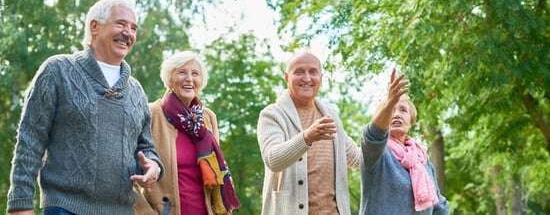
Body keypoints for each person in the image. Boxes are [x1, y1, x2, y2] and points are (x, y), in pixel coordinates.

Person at [6, 0, 163, 215]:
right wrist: (20, 205)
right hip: (65, 208)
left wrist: (153, 166)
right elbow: (30, 140)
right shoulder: (57, 70)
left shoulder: (136, 90)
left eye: (133, 27)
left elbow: (146, 148)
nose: (128, 33)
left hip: (123, 210)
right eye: (121, 24)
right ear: (94, 27)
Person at [133, 51, 240, 215]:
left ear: (201, 81)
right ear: (169, 79)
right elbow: (127, 173)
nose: (189, 79)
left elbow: (217, 176)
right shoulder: (151, 113)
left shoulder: (207, 118)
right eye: (182, 72)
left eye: (195, 74)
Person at [256, 51, 362, 215]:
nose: (307, 78)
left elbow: (357, 160)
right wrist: (307, 137)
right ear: (286, 77)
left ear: (321, 77)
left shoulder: (330, 115)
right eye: (299, 72)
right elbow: (273, 160)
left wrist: (386, 124)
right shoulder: (272, 114)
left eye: (313, 72)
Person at [360, 69, 449, 215]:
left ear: (411, 121)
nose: (396, 115)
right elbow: (372, 136)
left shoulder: (422, 160)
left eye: (403, 110)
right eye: (391, 110)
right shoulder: (376, 154)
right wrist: (389, 102)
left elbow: (439, 206)